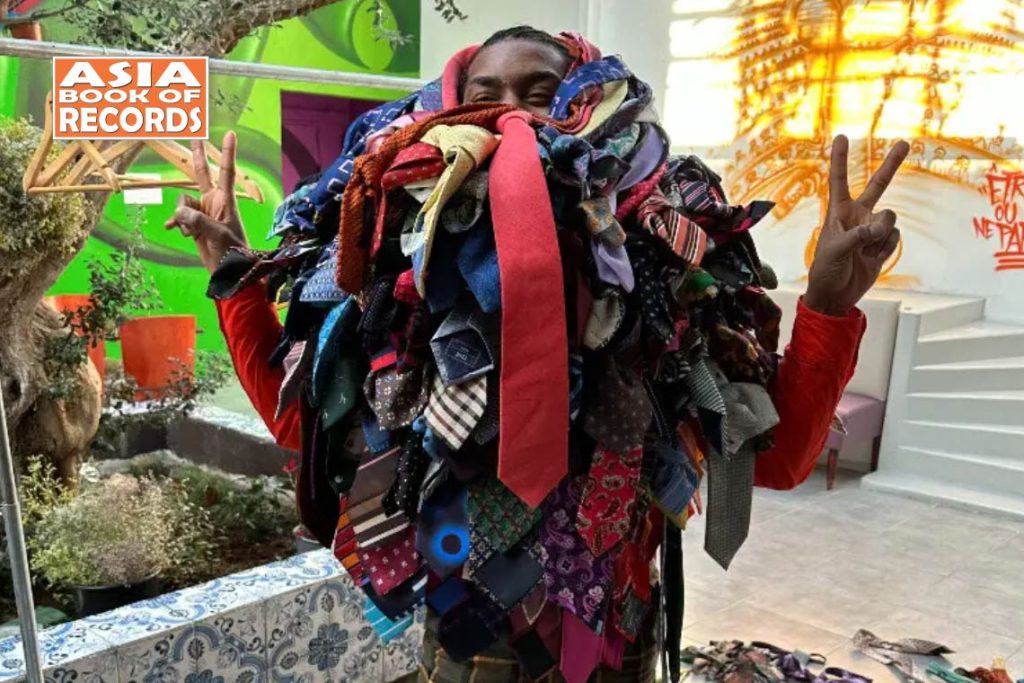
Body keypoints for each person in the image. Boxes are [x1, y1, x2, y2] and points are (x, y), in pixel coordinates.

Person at [168, 25, 907, 683]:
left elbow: (775, 461)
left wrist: (828, 304)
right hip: (463, 651)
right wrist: (235, 278)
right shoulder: (397, 286)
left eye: (540, 92)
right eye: (484, 94)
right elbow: (304, 426)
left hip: (619, 649)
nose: (511, 114)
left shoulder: (666, 270)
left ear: (589, 103)